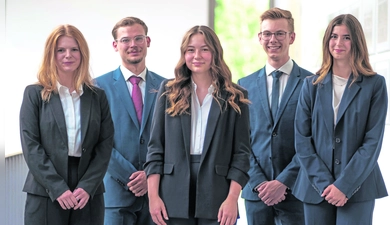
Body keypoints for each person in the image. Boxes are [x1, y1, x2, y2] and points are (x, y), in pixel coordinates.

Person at [144, 25, 251, 225]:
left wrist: (232, 199)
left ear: (215, 53)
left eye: (204, 49)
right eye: (190, 50)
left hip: (218, 193)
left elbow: (241, 155)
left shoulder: (236, 96)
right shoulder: (168, 92)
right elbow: (155, 149)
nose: (197, 55)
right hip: (172, 193)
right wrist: (153, 197)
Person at [292, 14, 388, 225]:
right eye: (334, 36)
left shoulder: (375, 85)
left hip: (358, 187)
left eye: (346, 37)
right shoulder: (311, 85)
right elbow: (302, 140)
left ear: (357, 42)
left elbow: (372, 142)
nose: (338, 43)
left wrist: (344, 185)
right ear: (327, 41)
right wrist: (326, 184)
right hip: (316, 188)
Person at [19, 24, 114, 225]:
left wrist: (88, 186)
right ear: (50, 55)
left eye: (74, 49)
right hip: (46, 188)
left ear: (82, 53)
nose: (67, 55)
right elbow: (31, 146)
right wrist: (57, 187)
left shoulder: (98, 97)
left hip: (87, 191)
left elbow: (105, 145)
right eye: (60, 50)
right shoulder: (34, 94)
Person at [237, 7, 312, 225]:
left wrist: (283, 182)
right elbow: (241, 141)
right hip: (256, 192)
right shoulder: (244, 85)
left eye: (280, 33)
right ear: (260, 38)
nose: (273, 39)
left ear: (292, 37)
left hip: (296, 190)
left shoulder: (312, 83)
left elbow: (314, 140)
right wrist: (260, 182)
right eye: (267, 34)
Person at [95, 16, 165, 225]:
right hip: (114, 196)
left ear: (148, 41)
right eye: (125, 40)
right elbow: (96, 140)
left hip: (158, 195)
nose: (133, 45)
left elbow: (172, 138)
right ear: (115, 45)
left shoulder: (167, 87)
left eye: (138, 38)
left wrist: (150, 175)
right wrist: (131, 177)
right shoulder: (98, 87)